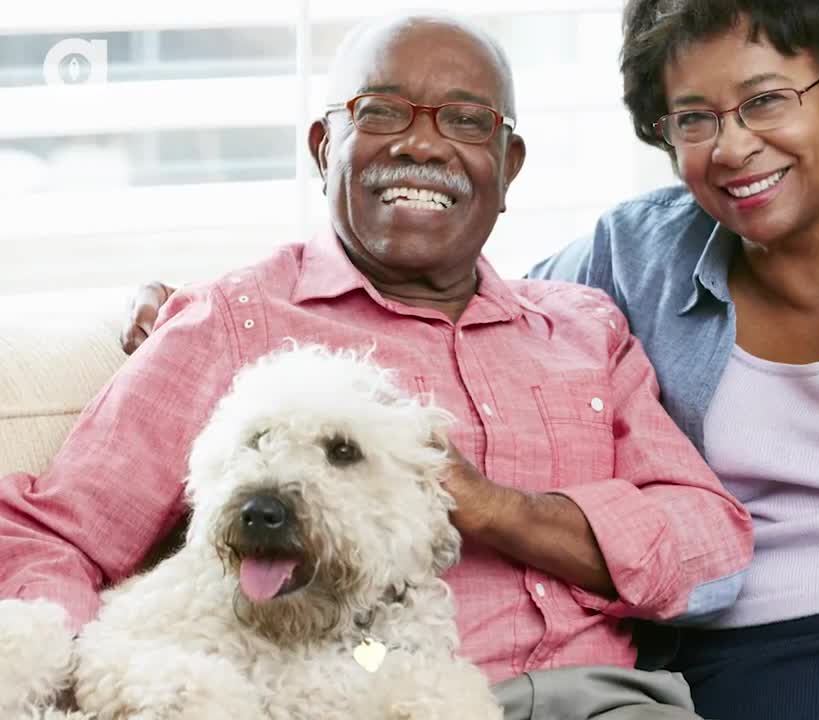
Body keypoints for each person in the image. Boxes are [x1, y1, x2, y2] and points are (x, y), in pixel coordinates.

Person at [123, 1, 819, 719]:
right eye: (690, 118)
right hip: (777, 661)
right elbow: (443, 279)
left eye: (765, 99)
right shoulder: (625, 260)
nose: (730, 147)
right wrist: (214, 316)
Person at [0, 14, 755, 720]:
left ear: (507, 164)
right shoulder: (236, 322)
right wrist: (78, 671)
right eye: (382, 111)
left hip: (601, 699)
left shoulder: (583, 327)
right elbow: (51, 535)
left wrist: (496, 508)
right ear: (325, 148)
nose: (422, 147)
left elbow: (711, 550)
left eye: (465, 121)